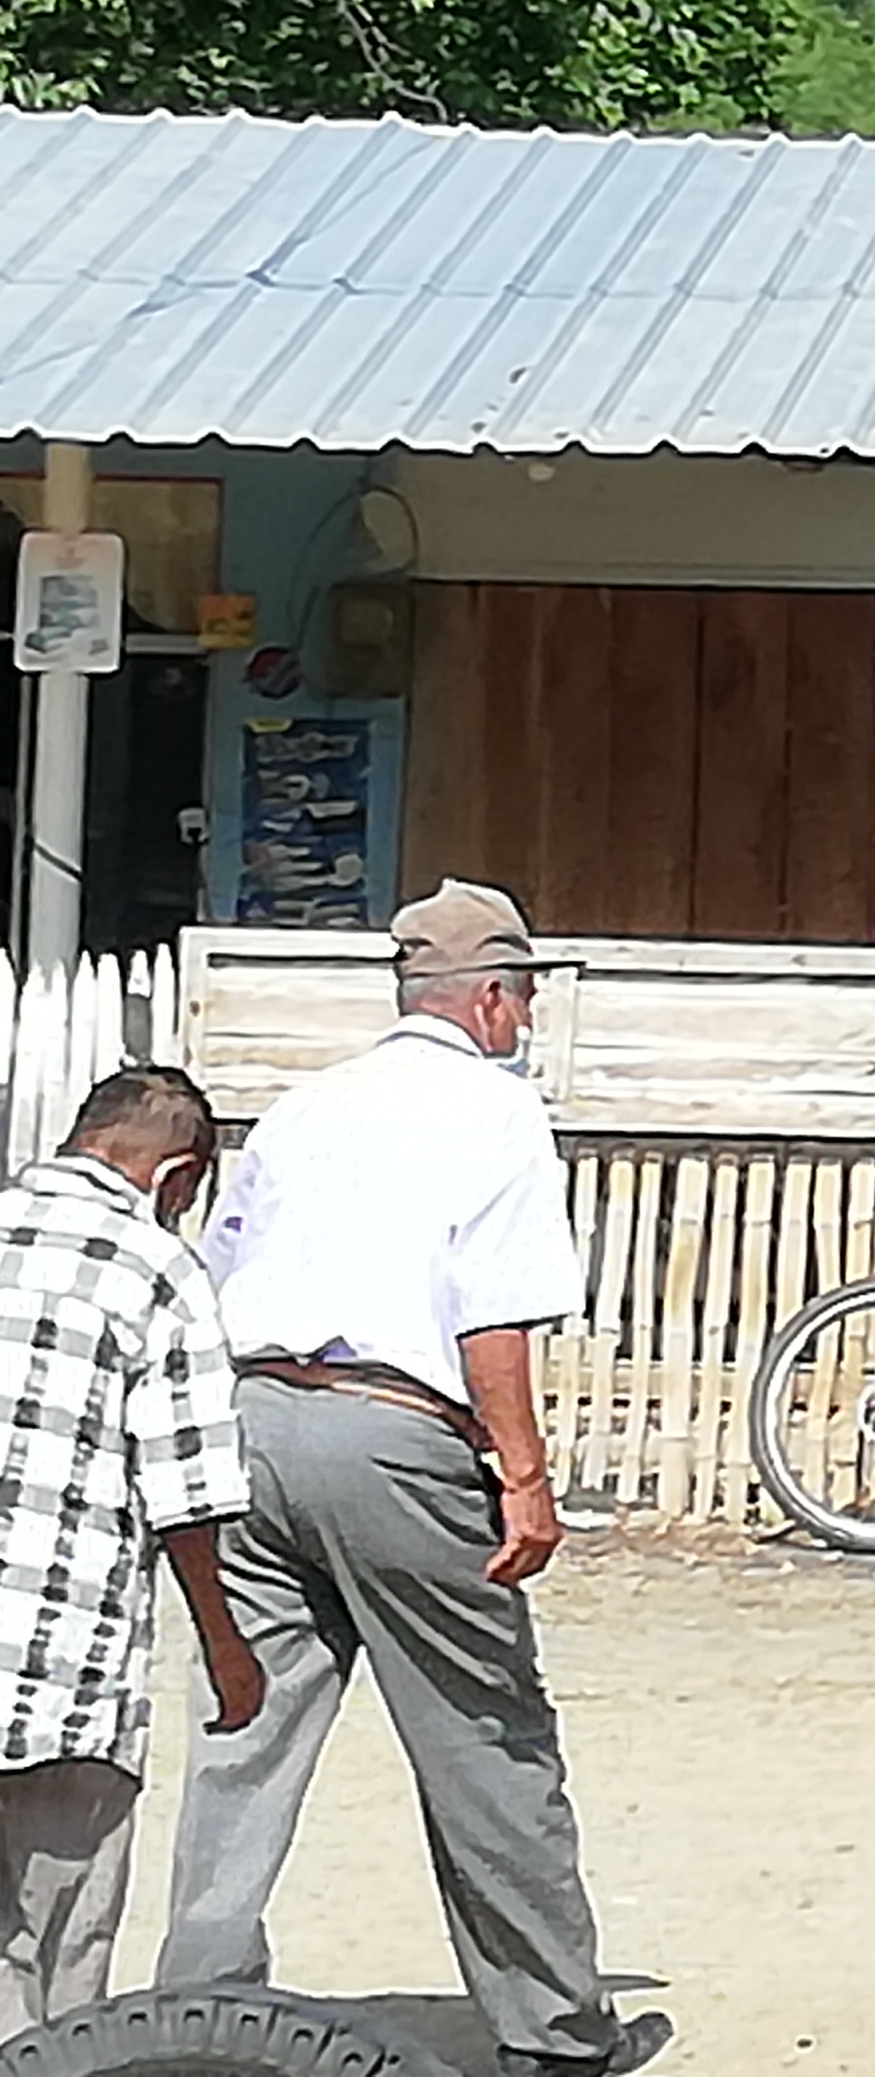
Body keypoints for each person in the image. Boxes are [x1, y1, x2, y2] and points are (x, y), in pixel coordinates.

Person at [162, 881, 637, 2077]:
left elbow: (216, 1273)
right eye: (523, 998)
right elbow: (494, 1317)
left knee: (244, 1728)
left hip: (254, 1422)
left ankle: (194, 2002)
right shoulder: (497, 1110)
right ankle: (555, 2028)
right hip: (392, 1433)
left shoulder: (304, 1106)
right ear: (491, 1000)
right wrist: (525, 1477)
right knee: (485, 1734)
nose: (525, 1019)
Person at [0, 1067, 263, 2032]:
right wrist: (225, 1645)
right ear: (175, 1175)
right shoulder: (159, 1270)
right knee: (57, 1936)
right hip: (62, 1665)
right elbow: (185, 1492)